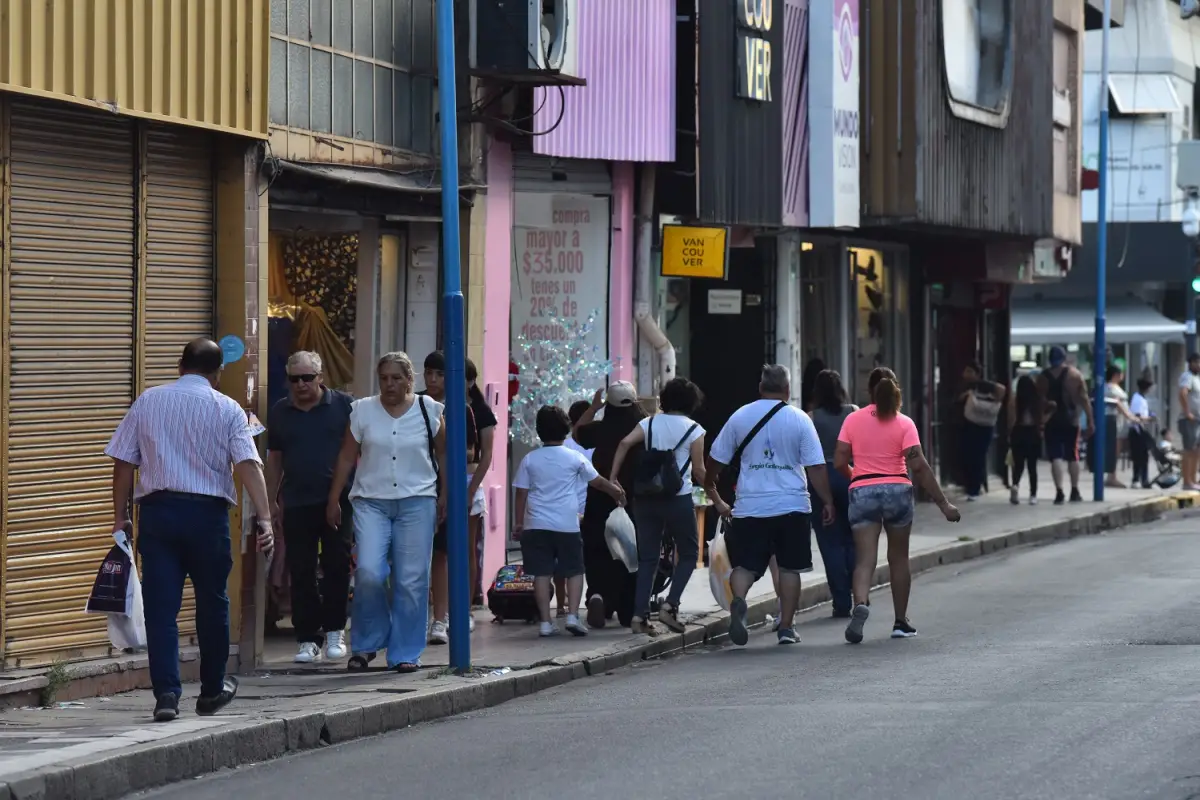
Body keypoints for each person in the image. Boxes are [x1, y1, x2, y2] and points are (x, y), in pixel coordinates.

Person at [106, 339, 272, 723]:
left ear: (180, 365)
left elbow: (123, 462)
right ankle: (212, 691)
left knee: (161, 611)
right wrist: (264, 517)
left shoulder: (148, 400)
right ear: (218, 373)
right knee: (213, 604)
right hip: (208, 517)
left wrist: (120, 516)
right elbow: (249, 465)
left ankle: (166, 695)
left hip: (159, 515)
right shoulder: (228, 407)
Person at [327, 352, 446, 673]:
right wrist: (334, 498)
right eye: (384, 378)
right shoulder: (363, 410)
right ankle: (366, 644)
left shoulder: (429, 410)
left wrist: (446, 495)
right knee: (368, 572)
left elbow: (445, 457)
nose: (389, 384)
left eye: (396, 378)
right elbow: (346, 457)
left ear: (410, 380)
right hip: (371, 502)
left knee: (411, 579)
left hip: (417, 501)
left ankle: (406, 651)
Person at [705, 365, 836, 647]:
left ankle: (739, 602)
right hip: (792, 505)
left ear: (760, 388)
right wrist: (827, 501)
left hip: (750, 505)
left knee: (744, 566)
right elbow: (815, 466)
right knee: (789, 568)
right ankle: (786, 628)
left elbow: (716, 458)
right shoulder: (800, 419)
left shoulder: (740, 416)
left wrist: (709, 482)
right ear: (788, 390)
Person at [835, 367, 960, 644]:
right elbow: (919, 466)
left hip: (863, 490)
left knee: (865, 559)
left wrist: (856, 476)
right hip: (897, 490)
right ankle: (900, 622)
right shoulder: (904, 423)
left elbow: (839, 460)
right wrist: (944, 504)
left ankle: (861, 604)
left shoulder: (853, 420)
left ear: (869, 391)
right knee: (898, 558)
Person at [266, 351, 355, 663]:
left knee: (336, 565)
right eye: (295, 379)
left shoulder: (343, 405)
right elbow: (275, 459)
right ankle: (307, 637)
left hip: (338, 500)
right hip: (297, 500)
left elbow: (356, 450)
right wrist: (270, 502)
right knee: (300, 569)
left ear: (320, 378)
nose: (301, 384)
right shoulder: (280, 411)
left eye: (307, 377)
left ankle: (334, 630)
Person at [513, 406, 626, 637]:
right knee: (575, 570)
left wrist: (518, 523)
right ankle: (573, 616)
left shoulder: (529, 460)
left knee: (542, 574)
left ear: (539, 431)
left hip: (536, 525)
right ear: (566, 430)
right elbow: (598, 482)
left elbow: (521, 494)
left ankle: (546, 622)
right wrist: (616, 493)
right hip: (567, 524)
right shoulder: (575, 457)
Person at [610, 377, 707, 635]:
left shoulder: (648, 423)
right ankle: (670, 605)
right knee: (688, 553)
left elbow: (624, 444)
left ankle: (639, 616)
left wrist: (613, 478)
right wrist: (715, 495)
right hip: (678, 498)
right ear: (691, 402)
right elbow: (698, 469)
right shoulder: (694, 429)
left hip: (645, 498)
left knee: (648, 559)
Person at [422, 351, 488, 644]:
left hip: (450, 486)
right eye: (429, 373)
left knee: (449, 551)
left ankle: (448, 615)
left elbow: (474, 453)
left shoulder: (463, 409)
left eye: (440, 374)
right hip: (418, 485)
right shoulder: (417, 403)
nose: (433, 379)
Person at [573, 382, 645, 629]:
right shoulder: (644, 427)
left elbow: (577, 432)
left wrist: (593, 408)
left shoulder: (600, 429)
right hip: (634, 500)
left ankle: (597, 595)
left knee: (598, 550)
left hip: (600, 497)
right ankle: (627, 609)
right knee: (631, 553)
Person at [808, 369, 857, 617]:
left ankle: (841, 601)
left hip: (821, 479)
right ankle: (858, 591)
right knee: (854, 538)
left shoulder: (811, 418)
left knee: (830, 542)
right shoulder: (853, 412)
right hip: (850, 475)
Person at [1037, 346, 1095, 504]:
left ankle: (1059, 492)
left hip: (1051, 420)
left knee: (1055, 456)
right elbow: (1084, 399)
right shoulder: (1075, 375)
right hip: (1071, 420)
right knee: (1073, 455)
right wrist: (1090, 420)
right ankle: (1075, 490)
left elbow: (1040, 401)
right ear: (1064, 358)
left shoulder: (1043, 377)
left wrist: (1040, 422)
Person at [465, 359, 498, 606]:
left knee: (466, 546)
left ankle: (465, 603)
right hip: (433, 480)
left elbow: (487, 455)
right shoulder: (432, 404)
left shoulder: (480, 411)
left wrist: (472, 488)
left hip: (468, 479)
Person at [561, 400, 595, 617]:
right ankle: (590, 595)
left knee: (562, 556)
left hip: (565, 508)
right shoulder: (596, 443)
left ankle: (562, 602)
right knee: (586, 556)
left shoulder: (563, 445)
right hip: (589, 507)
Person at [956, 361, 1007, 500]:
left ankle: (975, 488)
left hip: (982, 426)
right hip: (967, 424)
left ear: (977, 374)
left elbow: (1001, 389)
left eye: (969, 371)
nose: (966, 374)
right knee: (967, 456)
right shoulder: (962, 385)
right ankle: (970, 486)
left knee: (977, 456)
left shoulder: (983, 385)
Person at [1008, 374, 1053, 505]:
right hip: (1033, 433)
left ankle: (1015, 486)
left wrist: (1009, 434)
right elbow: (1043, 417)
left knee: (1018, 465)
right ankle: (1033, 495)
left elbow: (1011, 420)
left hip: (1018, 432)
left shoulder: (1014, 400)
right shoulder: (1037, 400)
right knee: (1032, 466)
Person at [1103, 364, 1143, 489]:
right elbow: (1117, 403)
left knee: (1117, 449)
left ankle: (1112, 475)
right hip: (1115, 421)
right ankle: (1111, 476)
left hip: (1120, 422)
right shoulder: (1110, 388)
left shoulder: (1115, 387)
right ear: (1115, 375)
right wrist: (1129, 416)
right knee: (1115, 448)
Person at [1178, 353, 1200, 490]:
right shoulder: (1187, 377)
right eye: (1195, 362)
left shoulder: (1197, 378)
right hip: (1189, 419)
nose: (1198, 365)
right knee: (1189, 450)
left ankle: (1193, 480)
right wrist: (1187, 412)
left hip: (1198, 419)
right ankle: (1187, 481)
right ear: (1190, 363)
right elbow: (1182, 393)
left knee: (1197, 450)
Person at [1129, 377, 1154, 489]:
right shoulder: (1137, 399)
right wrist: (1149, 418)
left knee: (1144, 456)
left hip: (1141, 429)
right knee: (1139, 456)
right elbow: (1138, 416)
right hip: (1137, 430)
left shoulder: (1142, 398)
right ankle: (1137, 479)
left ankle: (1144, 479)